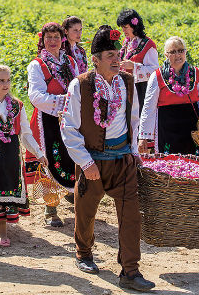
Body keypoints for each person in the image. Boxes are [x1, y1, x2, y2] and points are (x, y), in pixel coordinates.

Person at [60, 25, 155, 292]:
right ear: (96, 60)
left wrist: (134, 152)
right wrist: (86, 163)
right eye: (110, 55)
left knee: (131, 216)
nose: (117, 60)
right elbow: (68, 127)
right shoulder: (80, 85)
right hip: (93, 161)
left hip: (123, 160)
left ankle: (130, 270)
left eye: (117, 54)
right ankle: (84, 253)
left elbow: (133, 118)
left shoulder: (126, 81)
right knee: (86, 212)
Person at [25, 22, 79, 227]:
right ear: (43, 40)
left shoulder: (70, 62)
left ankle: (71, 194)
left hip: (69, 118)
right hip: (46, 119)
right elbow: (36, 96)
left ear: (62, 38)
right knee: (48, 160)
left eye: (56, 37)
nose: (53, 41)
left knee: (70, 155)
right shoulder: (37, 65)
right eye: (49, 38)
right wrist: (65, 101)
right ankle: (51, 209)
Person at [0, 64, 47, 247]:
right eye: (1, 81)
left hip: (11, 153)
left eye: (8, 80)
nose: (6, 84)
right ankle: (2, 231)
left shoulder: (17, 106)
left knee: (9, 187)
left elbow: (26, 134)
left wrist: (38, 152)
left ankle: (4, 228)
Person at [138, 36, 199, 155]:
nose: (178, 55)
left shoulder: (196, 73)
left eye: (181, 50)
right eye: (173, 52)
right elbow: (149, 107)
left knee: (196, 165)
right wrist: (143, 137)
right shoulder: (157, 76)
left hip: (192, 128)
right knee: (170, 166)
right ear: (166, 55)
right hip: (167, 129)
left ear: (185, 52)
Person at [117, 9, 158, 113]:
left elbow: (155, 70)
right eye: (122, 27)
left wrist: (134, 66)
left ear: (134, 25)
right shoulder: (126, 41)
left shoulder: (148, 45)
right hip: (126, 86)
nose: (123, 31)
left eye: (126, 27)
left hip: (141, 89)